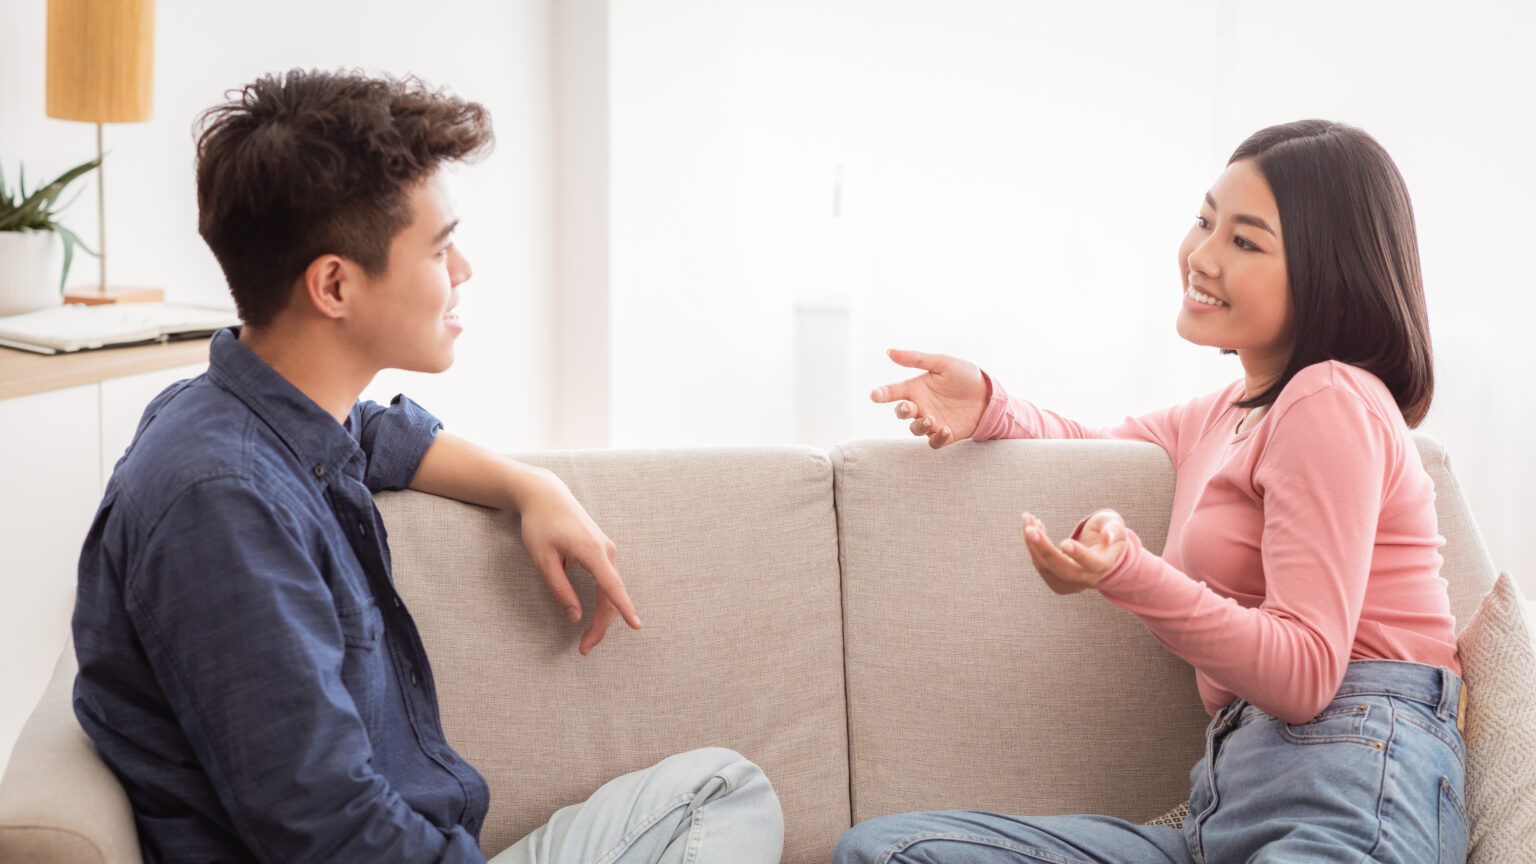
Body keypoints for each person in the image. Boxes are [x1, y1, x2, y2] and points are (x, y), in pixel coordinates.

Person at [70, 69, 783, 864]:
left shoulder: (240, 414)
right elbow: (331, 834)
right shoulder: (222, 505)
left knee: (720, 786)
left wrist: (529, 487)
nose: (465, 271)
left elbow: (374, 436)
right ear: (334, 284)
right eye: (441, 247)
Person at [837, 120, 1465, 864]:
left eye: (1245, 241)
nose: (1200, 256)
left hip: (1351, 786)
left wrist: (1129, 576)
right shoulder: (1225, 413)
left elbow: (1305, 673)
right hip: (1228, 813)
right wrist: (989, 406)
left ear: (1328, 273)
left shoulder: (1331, 399)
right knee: (895, 851)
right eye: (1205, 221)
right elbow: (1096, 444)